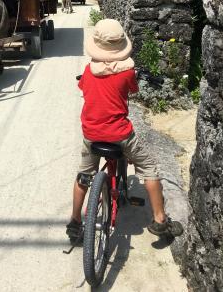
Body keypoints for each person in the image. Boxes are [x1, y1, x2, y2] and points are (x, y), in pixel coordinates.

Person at [66, 19, 183, 243]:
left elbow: (83, 87)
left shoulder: (89, 72)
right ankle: (160, 220)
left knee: (84, 174)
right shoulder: (127, 73)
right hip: (121, 135)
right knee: (149, 167)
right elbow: (133, 90)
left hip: (91, 134)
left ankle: (74, 221)